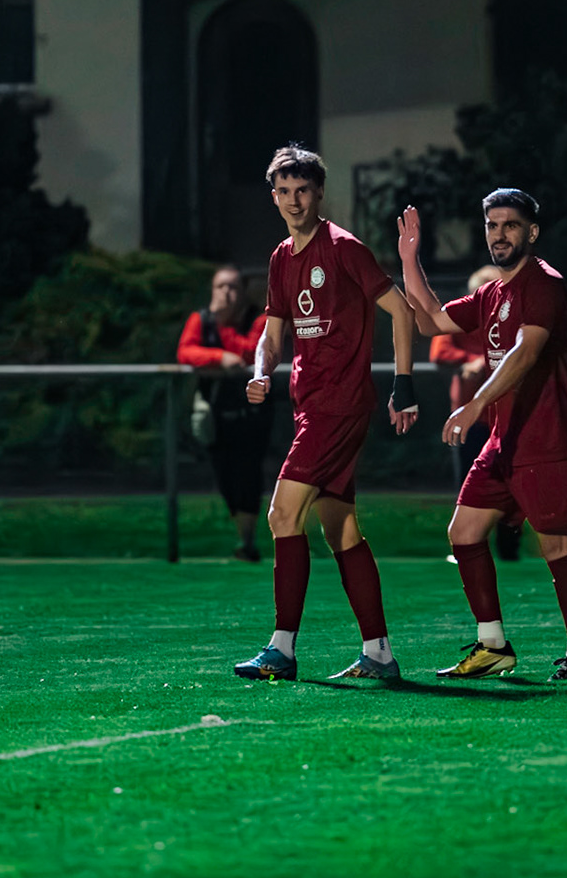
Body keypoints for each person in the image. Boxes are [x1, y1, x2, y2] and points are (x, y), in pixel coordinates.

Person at [234, 145, 420, 682]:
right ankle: (379, 653)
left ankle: (282, 649)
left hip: (338, 405)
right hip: (308, 404)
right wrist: (260, 370)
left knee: (281, 515)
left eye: (304, 191)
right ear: (274, 197)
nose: (295, 201)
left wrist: (402, 383)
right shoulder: (279, 258)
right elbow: (272, 335)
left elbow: (400, 310)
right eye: (284, 192)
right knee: (340, 529)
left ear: (319, 194)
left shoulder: (343, 249)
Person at [398, 192, 567, 681]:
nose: (499, 234)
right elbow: (431, 319)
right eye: (492, 225)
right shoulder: (492, 293)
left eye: (510, 225)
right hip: (504, 443)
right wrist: (409, 259)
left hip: (546, 440)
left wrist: (476, 403)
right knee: (463, 534)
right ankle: (492, 645)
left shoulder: (543, 284)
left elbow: (525, 354)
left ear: (531, 232)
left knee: (557, 548)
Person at [177, 266, 274, 560]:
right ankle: (242, 538)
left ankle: (247, 540)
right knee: (224, 473)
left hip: (252, 410)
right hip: (217, 411)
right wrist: (220, 357)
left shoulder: (258, 319)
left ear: (242, 292)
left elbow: (252, 352)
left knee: (248, 473)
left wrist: (225, 336)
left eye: (232, 287)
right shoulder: (201, 319)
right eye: (220, 287)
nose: (226, 293)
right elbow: (186, 352)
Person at [429, 264, 524, 562]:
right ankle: (467, 545)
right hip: (469, 417)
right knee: (468, 480)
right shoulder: (461, 317)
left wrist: (483, 363)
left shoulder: (513, 319)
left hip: (506, 415)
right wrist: (474, 360)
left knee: (512, 482)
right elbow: (439, 351)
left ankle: (509, 550)